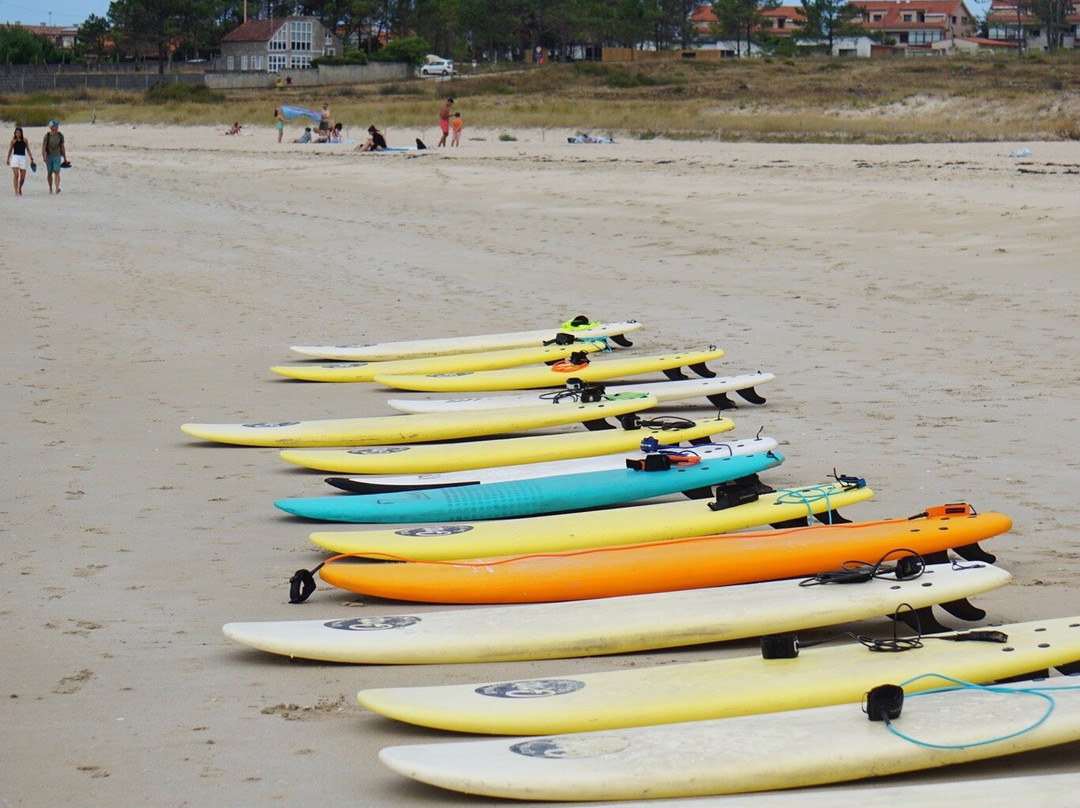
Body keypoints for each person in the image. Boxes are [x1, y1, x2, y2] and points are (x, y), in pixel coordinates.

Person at [7, 126, 36, 196]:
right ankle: (16, 191)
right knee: (16, 175)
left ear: (21, 133)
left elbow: (28, 149)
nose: (18, 134)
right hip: (15, 157)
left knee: (22, 177)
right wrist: (8, 159)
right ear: (15, 133)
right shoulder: (13, 140)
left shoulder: (25, 140)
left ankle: (20, 188)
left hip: (23, 158)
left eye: (19, 133)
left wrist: (31, 158)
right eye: (17, 133)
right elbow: (10, 150)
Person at [41, 119, 66, 195]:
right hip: (49, 157)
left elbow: (62, 146)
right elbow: (44, 147)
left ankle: (57, 187)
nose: (57, 127)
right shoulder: (47, 136)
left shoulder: (60, 136)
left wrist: (65, 158)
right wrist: (44, 156)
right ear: (52, 127)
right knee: (49, 173)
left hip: (57, 156)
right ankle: (50, 188)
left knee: (57, 172)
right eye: (56, 125)